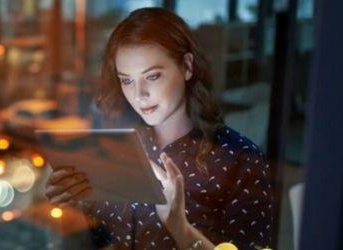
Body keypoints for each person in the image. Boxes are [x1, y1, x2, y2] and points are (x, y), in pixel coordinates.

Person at [45, 7, 273, 250]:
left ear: (186, 67)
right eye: (127, 80)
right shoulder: (115, 148)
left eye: (152, 76)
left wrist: (179, 227)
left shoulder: (240, 159)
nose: (139, 94)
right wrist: (69, 202)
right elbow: (93, 239)